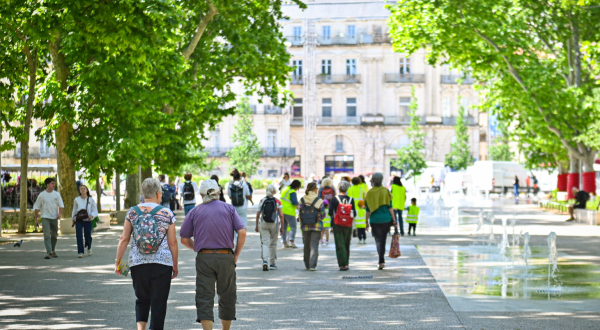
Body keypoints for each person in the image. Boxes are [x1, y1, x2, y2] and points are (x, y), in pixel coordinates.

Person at [180, 179, 246, 330]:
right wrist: (236, 254)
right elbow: (242, 232)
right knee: (227, 294)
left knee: (204, 296)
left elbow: (184, 238)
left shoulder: (195, 211)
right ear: (219, 192)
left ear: (201, 194)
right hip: (226, 256)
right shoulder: (229, 209)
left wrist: (197, 247)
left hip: (204, 257)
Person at [114, 178, 179, 330]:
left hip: (138, 263)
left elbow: (124, 239)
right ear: (157, 193)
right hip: (162, 263)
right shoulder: (167, 213)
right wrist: (174, 264)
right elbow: (173, 243)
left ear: (143, 194)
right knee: (159, 302)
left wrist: (118, 261)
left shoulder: (132, 212)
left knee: (141, 299)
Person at [365, 172, 397, 270]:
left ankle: (381, 260)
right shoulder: (386, 191)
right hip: (386, 219)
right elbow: (390, 207)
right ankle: (381, 260)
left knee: (378, 240)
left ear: (373, 180)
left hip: (375, 220)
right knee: (383, 240)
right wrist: (394, 221)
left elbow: (367, 209)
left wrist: (366, 222)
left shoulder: (370, 193)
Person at [34, 178, 65, 259]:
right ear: (47, 185)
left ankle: (53, 250)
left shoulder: (57, 194)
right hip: (45, 217)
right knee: (47, 235)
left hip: (54, 217)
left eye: (54, 183)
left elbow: (61, 206)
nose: (53, 185)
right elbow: (36, 207)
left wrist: (59, 214)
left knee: (54, 235)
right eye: (52, 183)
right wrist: (36, 219)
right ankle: (49, 252)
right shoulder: (42, 195)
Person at [255, 184, 284, 271]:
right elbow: (281, 215)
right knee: (273, 243)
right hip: (274, 224)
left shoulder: (262, 200)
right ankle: (272, 263)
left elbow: (258, 214)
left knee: (265, 242)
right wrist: (282, 227)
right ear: (274, 191)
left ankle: (265, 261)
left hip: (264, 223)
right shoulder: (277, 201)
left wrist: (257, 225)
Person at [329, 181, 356, 271]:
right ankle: (347, 263)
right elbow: (354, 213)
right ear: (347, 188)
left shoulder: (334, 199)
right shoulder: (351, 199)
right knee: (346, 243)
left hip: (337, 224)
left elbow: (330, 212)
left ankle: (342, 264)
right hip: (348, 224)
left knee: (339, 243)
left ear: (338, 188)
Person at [299, 182, 325, 271]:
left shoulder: (302, 199)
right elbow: (323, 214)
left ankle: (307, 264)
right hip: (316, 225)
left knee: (306, 245)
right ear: (314, 189)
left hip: (305, 226)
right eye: (316, 188)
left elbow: (299, 212)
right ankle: (312, 265)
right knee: (314, 245)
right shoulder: (319, 200)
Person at [72, 184, 98, 257]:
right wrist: (73, 218)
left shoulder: (91, 199)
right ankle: (80, 252)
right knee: (79, 235)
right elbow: (74, 209)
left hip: (87, 219)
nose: (83, 190)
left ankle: (89, 246)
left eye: (84, 189)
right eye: (81, 189)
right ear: (79, 191)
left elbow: (94, 210)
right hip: (79, 219)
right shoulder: (76, 199)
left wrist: (92, 216)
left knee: (87, 235)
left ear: (87, 190)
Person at [280, 179, 301, 248]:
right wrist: (300, 209)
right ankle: (292, 241)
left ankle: (284, 242)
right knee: (293, 226)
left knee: (284, 227)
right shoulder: (292, 191)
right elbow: (294, 202)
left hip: (282, 210)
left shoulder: (285, 188)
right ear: (297, 186)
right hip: (289, 211)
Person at [348, 177, 367, 244]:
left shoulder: (350, 189)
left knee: (352, 223)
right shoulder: (361, 188)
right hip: (360, 206)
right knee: (361, 221)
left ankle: (351, 237)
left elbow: (349, 198)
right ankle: (363, 237)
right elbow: (364, 197)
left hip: (353, 207)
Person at [318, 178, 336, 245]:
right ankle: (330, 227)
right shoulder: (332, 189)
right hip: (330, 205)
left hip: (323, 205)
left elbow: (319, 197)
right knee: (330, 216)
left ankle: (321, 239)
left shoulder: (321, 189)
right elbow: (334, 197)